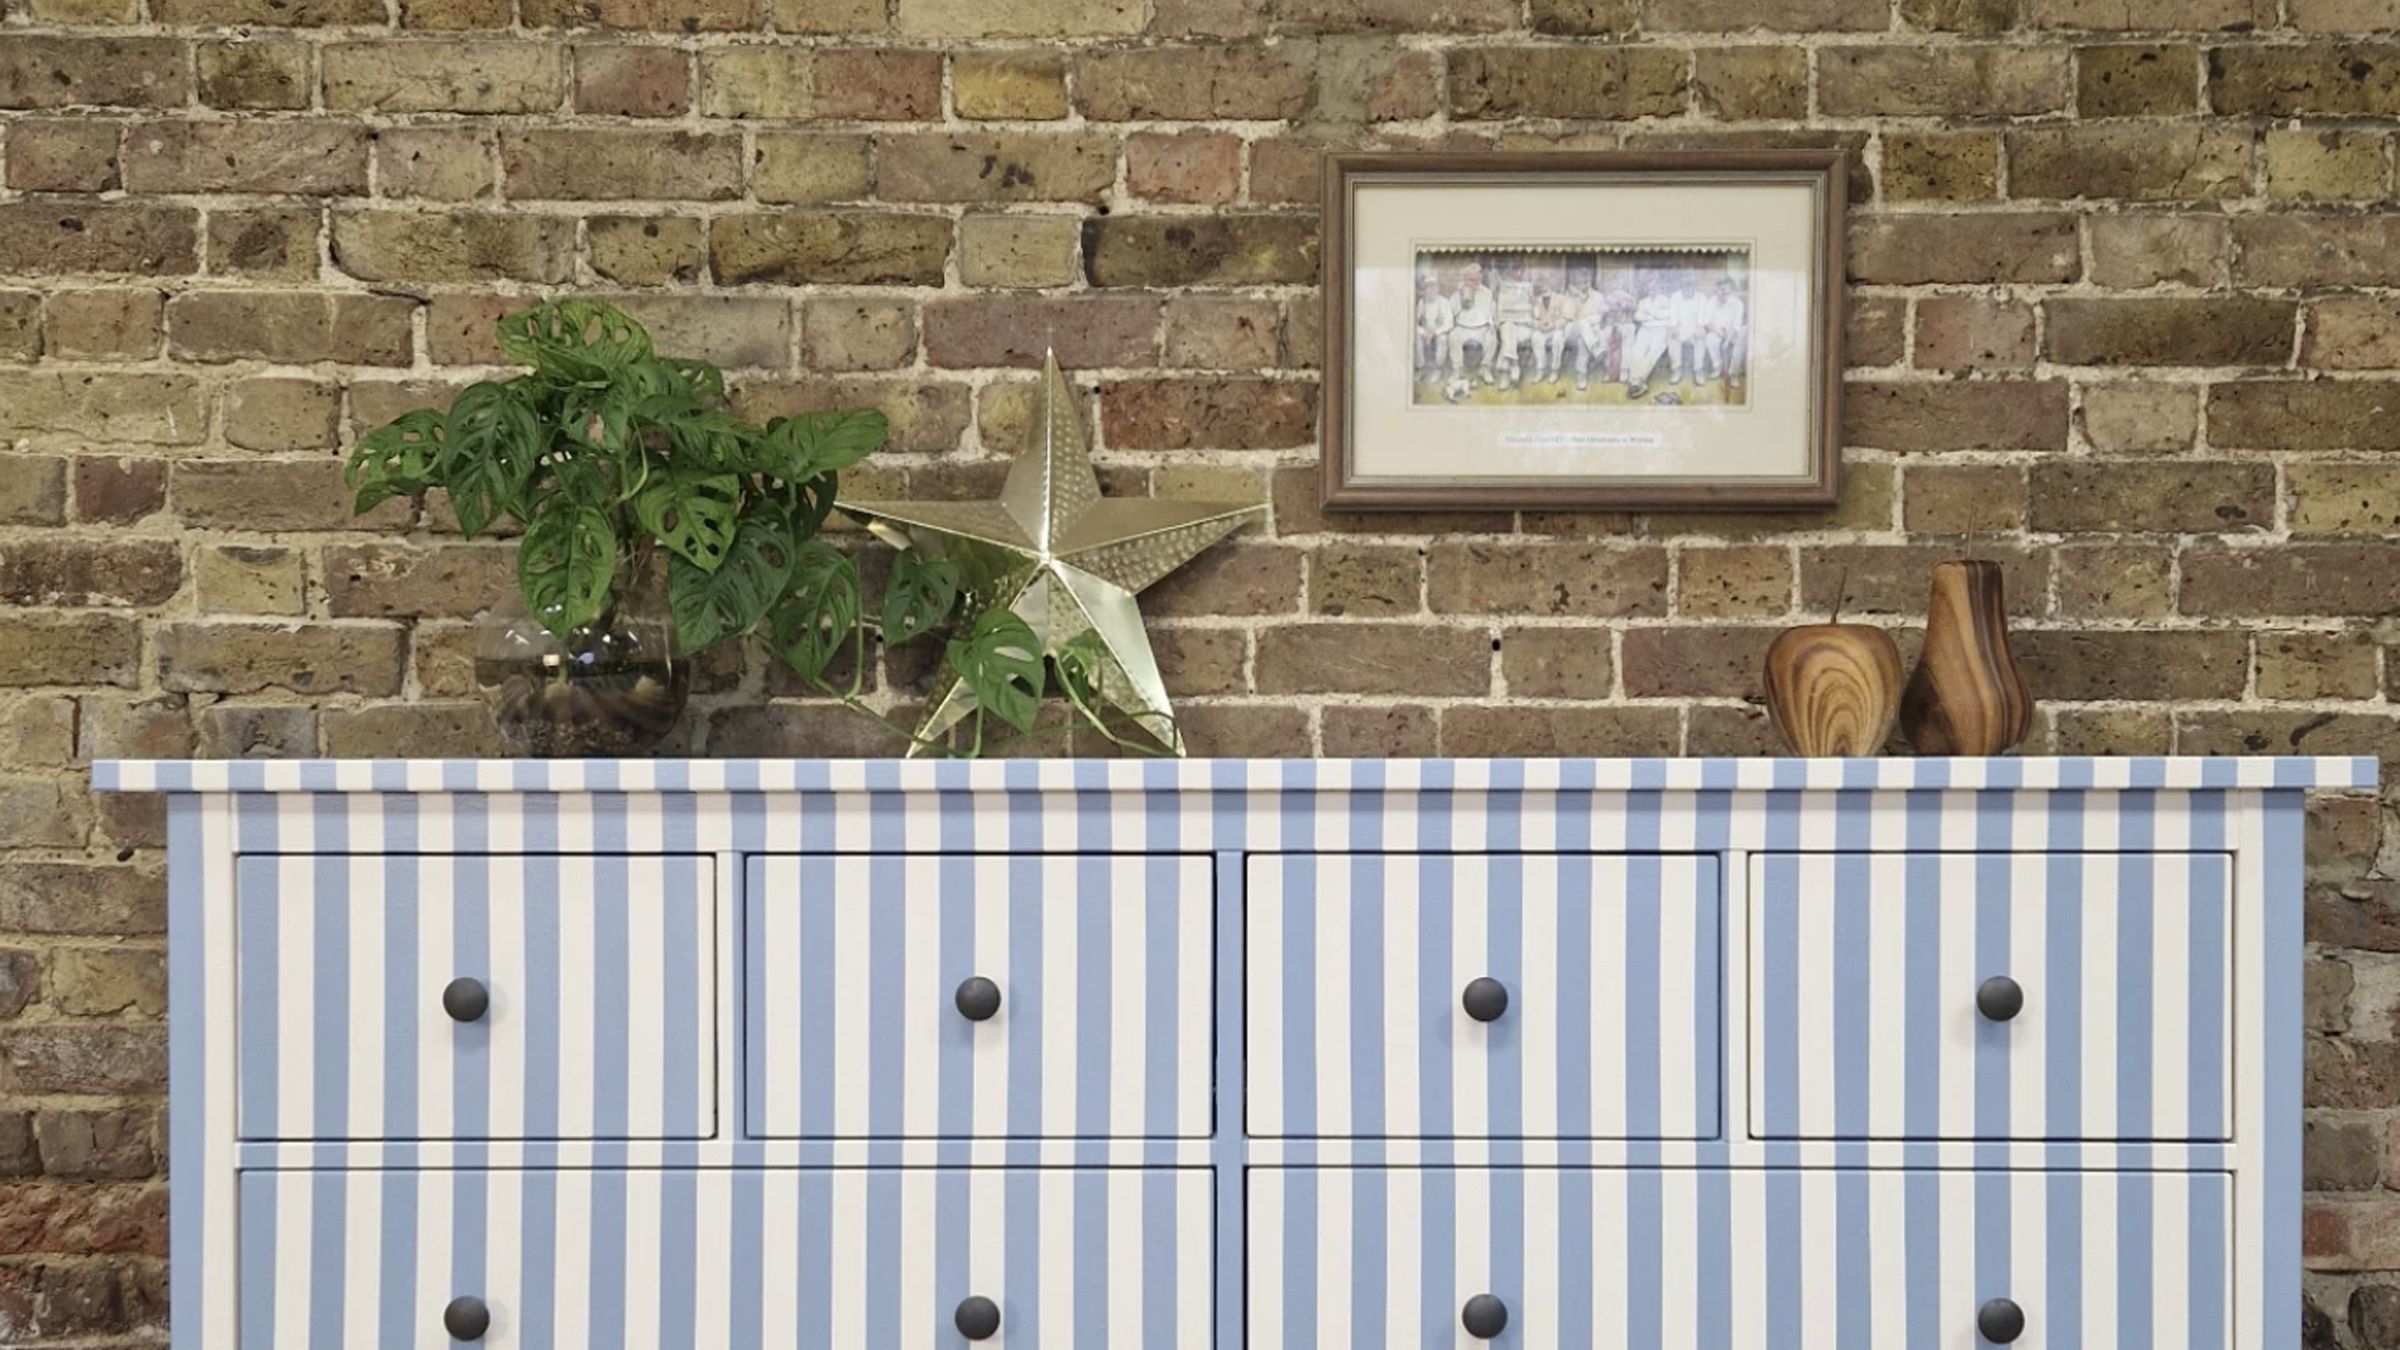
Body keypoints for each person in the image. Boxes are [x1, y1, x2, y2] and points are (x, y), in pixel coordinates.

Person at [1623, 276, 1674, 398]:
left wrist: (1651, 313)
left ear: (1658, 287)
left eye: (1654, 286)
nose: (1652, 289)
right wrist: (1655, 316)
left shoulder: (1665, 300)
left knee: (1652, 354)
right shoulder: (1643, 302)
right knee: (1636, 352)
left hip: (1660, 331)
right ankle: (1636, 383)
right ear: (1646, 289)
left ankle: (1638, 381)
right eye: (1649, 287)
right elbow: (1637, 316)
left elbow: (1668, 315)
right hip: (1645, 330)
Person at [1447, 262, 1497, 385]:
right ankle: (1457, 370)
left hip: (1482, 328)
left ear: (1480, 278)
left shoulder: (1487, 293)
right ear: (1465, 279)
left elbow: (1492, 311)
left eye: (1476, 279)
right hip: (1462, 327)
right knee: (1453, 336)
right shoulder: (1457, 293)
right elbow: (1452, 313)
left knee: (1492, 338)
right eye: (1470, 280)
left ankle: (1485, 368)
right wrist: (1460, 295)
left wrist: (1491, 324)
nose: (1474, 282)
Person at [1492, 261, 1536, 389]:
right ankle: (1514, 366)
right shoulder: (1504, 287)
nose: (1518, 274)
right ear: (1510, 272)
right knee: (1508, 327)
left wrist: (1533, 304)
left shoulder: (1528, 287)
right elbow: (1499, 312)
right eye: (1515, 271)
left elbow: (1535, 312)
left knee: (1507, 340)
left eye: (1520, 271)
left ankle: (1506, 373)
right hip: (1509, 324)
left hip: (1525, 327)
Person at [1565, 273, 1608, 392]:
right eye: (1581, 282)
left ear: (1590, 282)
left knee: (1583, 341)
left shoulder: (1598, 296)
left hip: (1587, 334)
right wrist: (1576, 298)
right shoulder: (1570, 296)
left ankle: (1581, 376)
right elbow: (1569, 317)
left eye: (1587, 282)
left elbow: (1600, 317)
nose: (1584, 285)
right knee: (1583, 325)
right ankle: (1596, 350)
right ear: (1576, 283)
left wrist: (1585, 320)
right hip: (1571, 331)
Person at [1705, 276, 1748, 388]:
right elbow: (1708, 323)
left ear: (1731, 289)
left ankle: (1733, 373)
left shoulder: (1738, 303)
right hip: (1717, 331)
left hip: (1733, 332)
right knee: (1710, 339)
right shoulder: (1711, 301)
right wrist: (1721, 335)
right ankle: (1718, 367)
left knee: (1742, 337)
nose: (1721, 292)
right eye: (1719, 289)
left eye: (1725, 289)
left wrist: (1727, 340)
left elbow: (1736, 325)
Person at [1669, 272, 1708, 385]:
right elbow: (1673, 315)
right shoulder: (1674, 296)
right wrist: (1674, 327)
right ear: (1681, 282)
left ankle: (1698, 370)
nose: (1688, 282)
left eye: (1690, 279)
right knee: (1672, 338)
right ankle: (1676, 369)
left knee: (1700, 338)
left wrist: (1699, 327)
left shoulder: (1702, 297)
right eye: (1685, 279)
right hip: (1680, 328)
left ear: (1695, 282)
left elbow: (1702, 316)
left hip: (1695, 328)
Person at [1530, 279, 1569, 386]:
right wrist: (1539, 325)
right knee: (1536, 337)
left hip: (1557, 328)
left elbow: (1565, 317)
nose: (1544, 289)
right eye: (1540, 288)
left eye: (1545, 286)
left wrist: (1554, 325)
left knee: (1558, 339)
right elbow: (1533, 318)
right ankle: (1541, 369)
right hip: (1543, 329)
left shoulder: (1560, 298)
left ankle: (1555, 370)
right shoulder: (1536, 300)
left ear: (1549, 285)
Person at [1415, 274, 1454, 380]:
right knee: (1416, 338)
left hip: (1439, 332)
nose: (1431, 289)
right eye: (1428, 286)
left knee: (1443, 339)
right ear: (1425, 289)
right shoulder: (1421, 303)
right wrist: (1423, 333)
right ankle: (1421, 368)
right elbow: (1414, 323)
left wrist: (1434, 333)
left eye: (1434, 286)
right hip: (1425, 332)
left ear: (1438, 288)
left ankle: (1438, 369)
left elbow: (1449, 323)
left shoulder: (1444, 302)